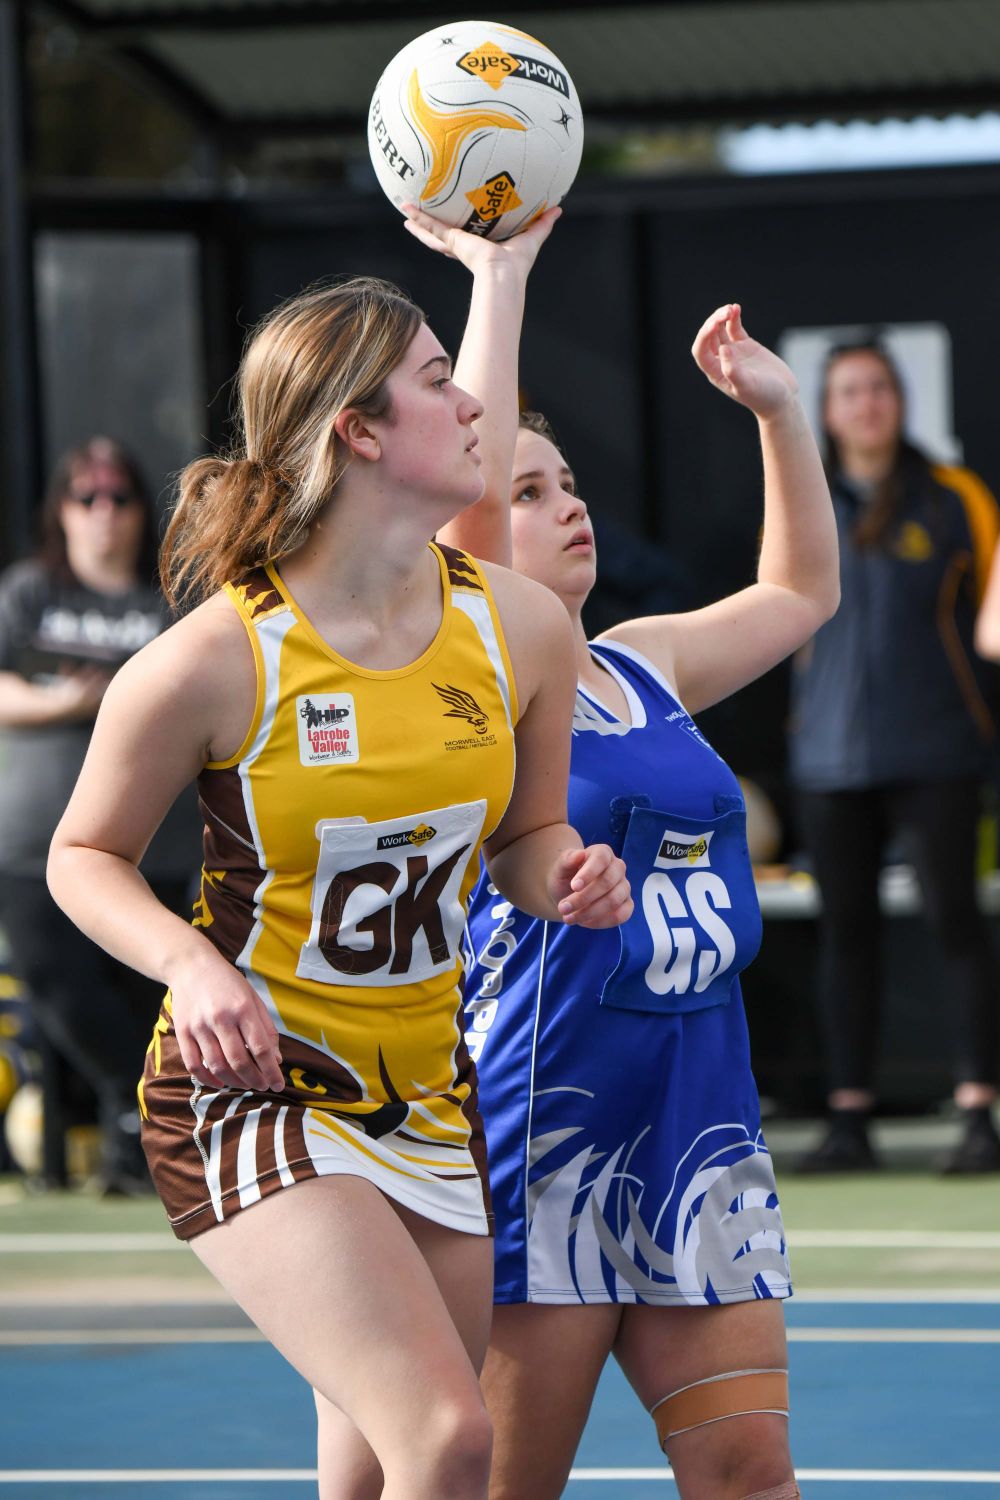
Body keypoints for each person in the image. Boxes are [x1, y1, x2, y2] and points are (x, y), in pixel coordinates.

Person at [46, 272, 632, 1500]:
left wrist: (568, 875)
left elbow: (527, 840)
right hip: (255, 1093)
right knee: (450, 1438)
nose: (471, 407)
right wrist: (192, 965)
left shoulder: (522, 628)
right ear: (358, 431)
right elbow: (81, 856)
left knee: (373, 1472)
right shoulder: (216, 658)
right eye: (437, 381)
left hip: (424, 1095)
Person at [403, 205, 838, 1500]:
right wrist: (499, 275)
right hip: (551, 1115)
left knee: (752, 1470)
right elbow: (468, 507)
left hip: (697, 1112)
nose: (567, 505)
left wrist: (779, 415)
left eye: (571, 484)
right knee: (500, 1485)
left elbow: (801, 591)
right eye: (528, 491)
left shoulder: (641, 665)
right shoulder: (476, 667)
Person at [788, 339, 1000, 1175]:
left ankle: (979, 1113)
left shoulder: (955, 498)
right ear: (827, 410)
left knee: (956, 924)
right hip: (830, 759)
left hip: (938, 751)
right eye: (850, 391)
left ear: (900, 400)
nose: (867, 403)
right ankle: (849, 1120)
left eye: (879, 388)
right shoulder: (802, 496)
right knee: (846, 937)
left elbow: (989, 622)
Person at [0, 437, 199, 1192]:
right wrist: (61, 702)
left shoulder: (168, 598)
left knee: (150, 996)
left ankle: (145, 1137)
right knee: (59, 987)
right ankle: (133, 1116)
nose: (104, 512)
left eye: (119, 496)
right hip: (35, 845)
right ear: (61, 510)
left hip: (157, 846)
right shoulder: (30, 592)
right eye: (86, 497)